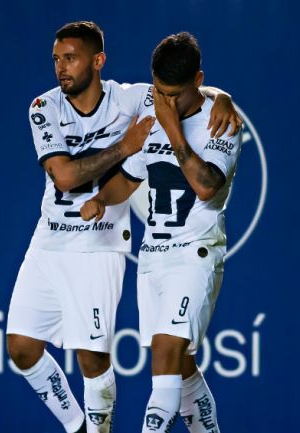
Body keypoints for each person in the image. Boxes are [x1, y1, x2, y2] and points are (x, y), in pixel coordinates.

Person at [7, 21, 240, 433]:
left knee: (141, 360)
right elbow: (85, 177)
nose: (61, 67)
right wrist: (104, 191)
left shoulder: (151, 106)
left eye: (71, 58)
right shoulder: (47, 106)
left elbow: (202, 168)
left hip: (151, 250)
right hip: (106, 250)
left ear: (97, 61)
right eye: (56, 59)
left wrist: (223, 97)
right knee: (178, 366)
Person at [80, 32, 241, 433]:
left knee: (166, 358)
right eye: (159, 91)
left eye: (175, 95)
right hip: (153, 259)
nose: (166, 102)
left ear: (198, 81)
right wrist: (101, 200)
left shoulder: (221, 121)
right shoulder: (151, 115)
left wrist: (174, 130)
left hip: (194, 254)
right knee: (181, 367)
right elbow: (132, 177)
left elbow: (207, 185)